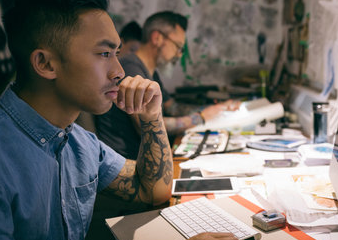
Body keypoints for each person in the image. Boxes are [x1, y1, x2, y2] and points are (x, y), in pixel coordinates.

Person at [0, 0, 244, 240]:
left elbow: (153, 191)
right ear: (45, 63)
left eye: (117, 53)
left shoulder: (77, 141)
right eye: (104, 53)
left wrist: (151, 117)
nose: (119, 71)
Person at [95, 11, 238, 159]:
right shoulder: (131, 69)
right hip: (129, 162)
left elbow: (173, 108)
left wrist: (214, 109)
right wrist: (200, 117)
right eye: (178, 46)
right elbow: (147, 125)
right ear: (157, 38)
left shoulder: (150, 71)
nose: (179, 54)